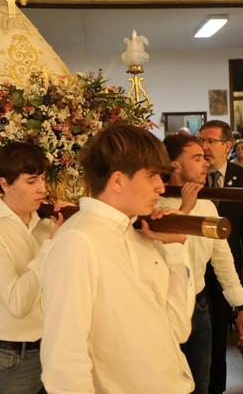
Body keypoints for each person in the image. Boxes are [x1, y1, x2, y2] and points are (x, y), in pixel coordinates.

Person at [40, 124, 195, 393]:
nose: (161, 186)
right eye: (152, 176)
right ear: (118, 181)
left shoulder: (141, 236)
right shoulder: (78, 240)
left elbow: (179, 329)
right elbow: (63, 361)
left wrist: (174, 250)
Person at [160, 134, 243, 393]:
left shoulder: (208, 206)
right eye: (197, 158)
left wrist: (240, 306)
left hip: (199, 306)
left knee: (202, 382)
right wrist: (185, 209)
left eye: (204, 157)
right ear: (175, 165)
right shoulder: (155, 204)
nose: (206, 164)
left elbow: (223, 260)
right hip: (163, 307)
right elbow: (164, 254)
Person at [0, 142, 64, 393]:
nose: (42, 188)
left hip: (55, 347)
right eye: (32, 181)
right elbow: (18, 303)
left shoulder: (46, 225)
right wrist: (52, 244)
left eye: (43, 179)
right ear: (5, 183)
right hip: (16, 356)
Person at [198, 120, 243, 390]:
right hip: (198, 267)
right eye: (201, 140)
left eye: (210, 141)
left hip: (229, 269)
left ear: (227, 146)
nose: (204, 147)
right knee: (201, 335)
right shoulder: (194, 176)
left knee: (219, 338)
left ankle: (217, 387)